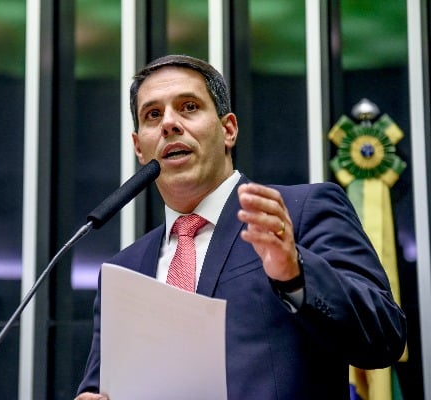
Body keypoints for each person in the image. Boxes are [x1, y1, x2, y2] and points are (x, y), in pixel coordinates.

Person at [75, 54, 407, 399]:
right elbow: (100, 387)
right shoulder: (123, 272)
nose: (169, 124)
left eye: (189, 107)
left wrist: (295, 274)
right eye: (153, 115)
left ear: (228, 129)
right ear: (139, 148)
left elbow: (384, 335)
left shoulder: (300, 212)